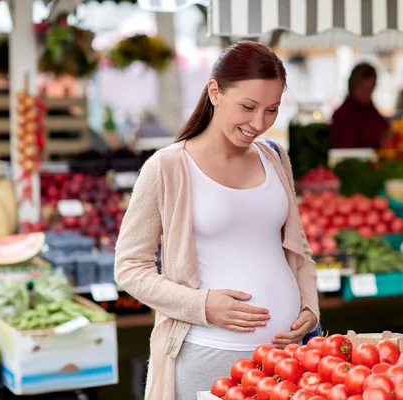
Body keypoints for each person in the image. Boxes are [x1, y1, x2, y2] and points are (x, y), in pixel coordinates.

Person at [114, 41, 320, 400]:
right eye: (248, 107)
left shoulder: (274, 157)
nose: (259, 124)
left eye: (271, 110)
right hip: (210, 355)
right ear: (214, 92)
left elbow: (297, 249)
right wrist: (202, 305)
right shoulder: (167, 167)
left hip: (287, 358)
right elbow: (129, 267)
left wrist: (309, 307)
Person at [329, 62, 389, 149]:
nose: (367, 92)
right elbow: (344, 149)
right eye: (363, 87)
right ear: (353, 86)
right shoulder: (343, 116)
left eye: (371, 87)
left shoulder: (372, 112)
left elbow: (385, 130)